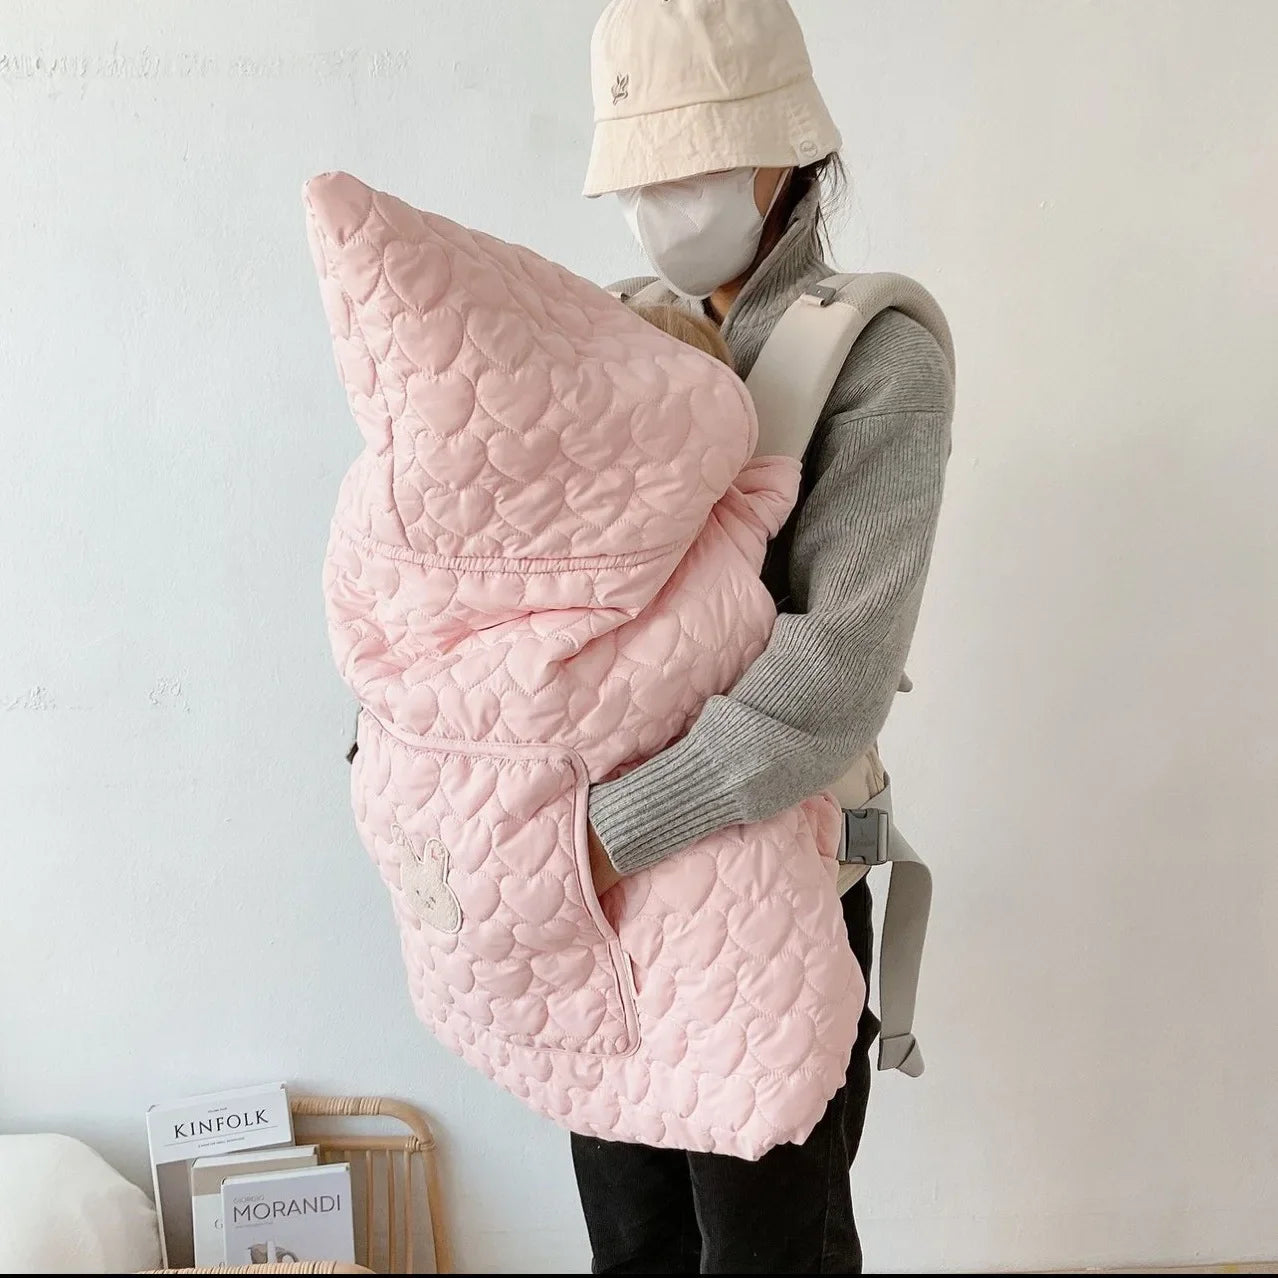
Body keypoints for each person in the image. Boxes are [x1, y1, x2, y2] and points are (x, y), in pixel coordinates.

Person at [573, 2, 955, 1273]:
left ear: (783, 151)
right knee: (632, 1249)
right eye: (635, 176)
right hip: (614, 915)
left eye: (683, 166)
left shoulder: (875, 357)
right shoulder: (604, 333)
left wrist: (605, 832)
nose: (654, 205)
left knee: (771, 1256)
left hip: (772, 901)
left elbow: (833, 675)